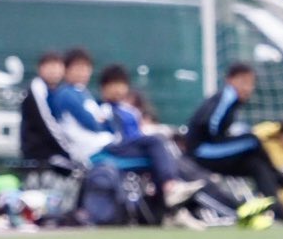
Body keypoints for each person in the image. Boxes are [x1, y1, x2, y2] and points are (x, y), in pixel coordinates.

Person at [50, 52, 200, 207]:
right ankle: (170, 189)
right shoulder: (66, 93)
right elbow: (92, 123)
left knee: (161, 154)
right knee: (156, 142)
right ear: (66, 70)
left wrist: (100, 121)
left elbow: (102, 123)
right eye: (78, 68)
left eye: (86, 68)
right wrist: (100, 121)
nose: (83, 72)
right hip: (97, 152)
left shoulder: (84, 94)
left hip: (108, 146)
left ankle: (170, 205)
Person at [186, 63, 283, 219]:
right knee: (252, 140)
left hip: (214, 148)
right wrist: (225, 138)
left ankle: (280, 212)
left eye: (251, 83)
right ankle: (280, 177)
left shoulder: (232, 100)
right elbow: (208, 123)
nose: (248, 88)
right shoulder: (227, 96)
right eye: (243, 82)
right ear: (230, 80)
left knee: (256, 164)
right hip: (203, 150)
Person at [19, 50, 71, 166]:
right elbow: (47, 122)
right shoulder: (37, 87)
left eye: (58, 66)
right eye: (50, 66)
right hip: (38, 156)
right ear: (40, 69)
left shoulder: (58, 92)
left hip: (53, 153)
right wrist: (68, 150)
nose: (54, 71)